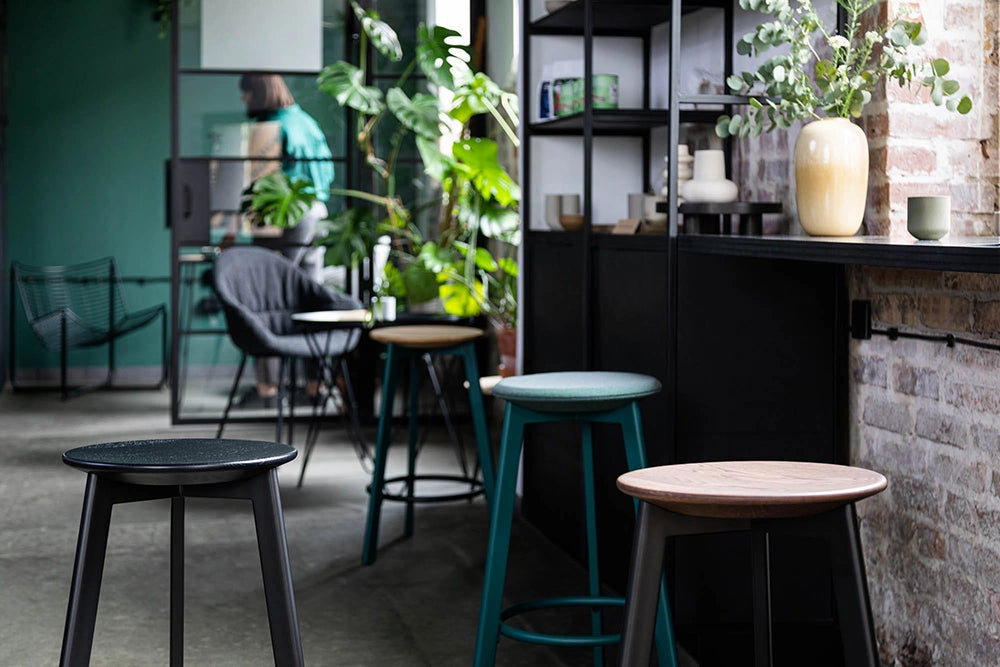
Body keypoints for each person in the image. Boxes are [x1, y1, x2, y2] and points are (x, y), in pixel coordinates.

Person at [238, 73, 334, 406]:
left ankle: (268, 390)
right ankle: (315, 387)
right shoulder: (305, 121)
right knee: (311, 299)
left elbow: (256, 184)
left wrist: (234, 228)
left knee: (266, 301)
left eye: (246, 94)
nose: (243, 101)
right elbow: (327, 171)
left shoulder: (269, 128)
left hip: (285, 217)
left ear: (257, 93)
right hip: (316, 212)